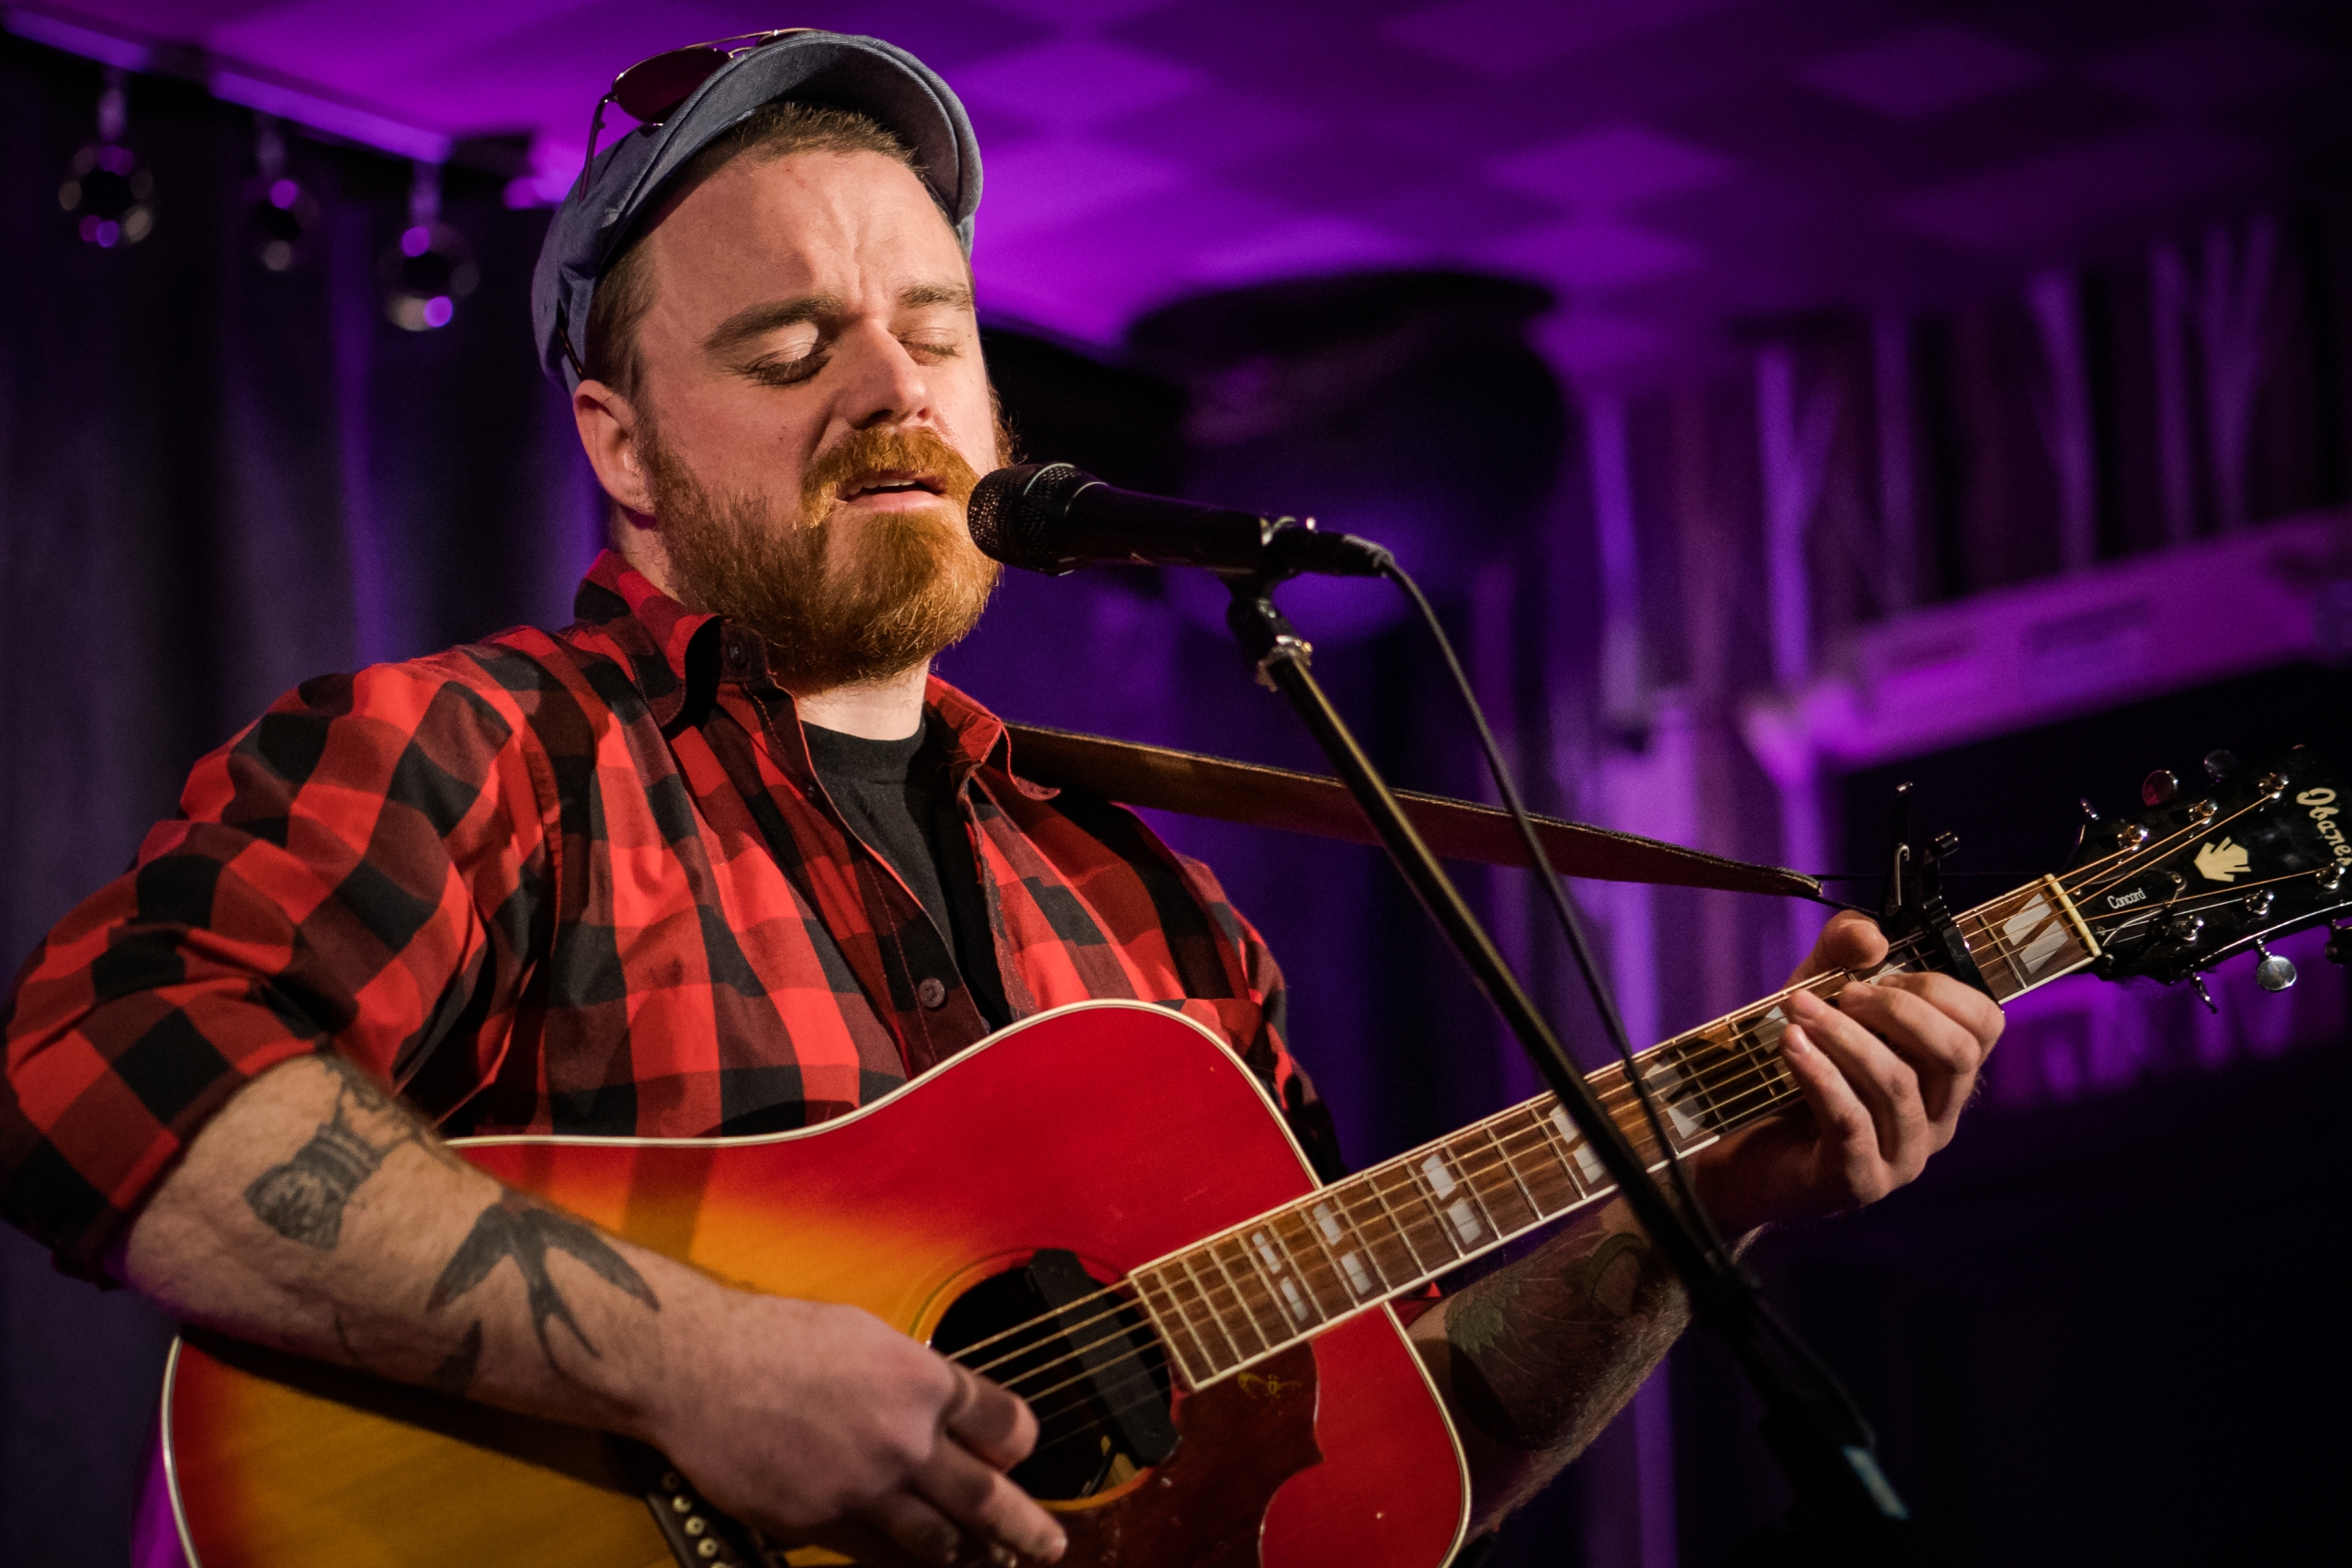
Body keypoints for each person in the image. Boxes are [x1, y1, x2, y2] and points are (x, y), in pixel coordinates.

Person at [0, 30, 2003, 1568]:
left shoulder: (1150, 918)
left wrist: (1692, 1210)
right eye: (789, 343)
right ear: (621, 445)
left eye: (931, 328)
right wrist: (691, 1365)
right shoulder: (491, 755)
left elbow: (1373, 1469)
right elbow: (111, 1076)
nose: (889, 385)